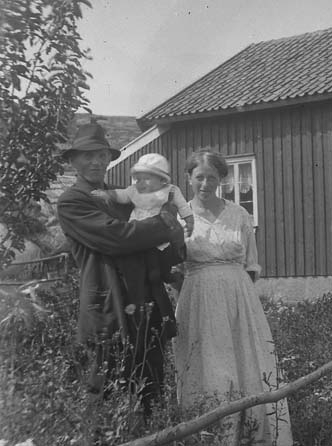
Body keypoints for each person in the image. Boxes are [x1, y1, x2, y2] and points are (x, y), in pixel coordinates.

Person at [56, 122, 184, 414]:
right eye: (87, 155)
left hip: (146, 307)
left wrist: (173, 252)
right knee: (105, 396)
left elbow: (149, 242)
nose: (96, 162)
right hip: (109, 307)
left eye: (101, 155)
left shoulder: (124, 196)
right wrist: (164, 223)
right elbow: (119, 238)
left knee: (150, 393)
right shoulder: (72, 202)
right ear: (73, 161)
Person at [174, 148, 293, 445]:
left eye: (212, 178)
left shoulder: (239, 214)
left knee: (246, 361)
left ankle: (252, 433)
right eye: (199, 177)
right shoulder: (178, 218)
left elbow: (251, 265)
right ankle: (211, 436)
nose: (205, 184)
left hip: (239, 300)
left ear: (221, 180)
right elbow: (173, 267)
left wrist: (239, 301)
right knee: (208, 365)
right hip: (198, 299)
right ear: (188, 178)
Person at [91, 152, 194, 282]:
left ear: (162, 179)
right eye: (138, 179)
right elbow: (121, 195)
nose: (141, 183)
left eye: (146, 178)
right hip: (139, 229)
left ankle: (166, 273)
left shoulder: (171, 190)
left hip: (163, 230)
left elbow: (182, 206)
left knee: (165, 254)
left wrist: (189, 220)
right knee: (142, 256)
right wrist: (107, 194)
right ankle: (145, 275)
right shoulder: (133, 191)